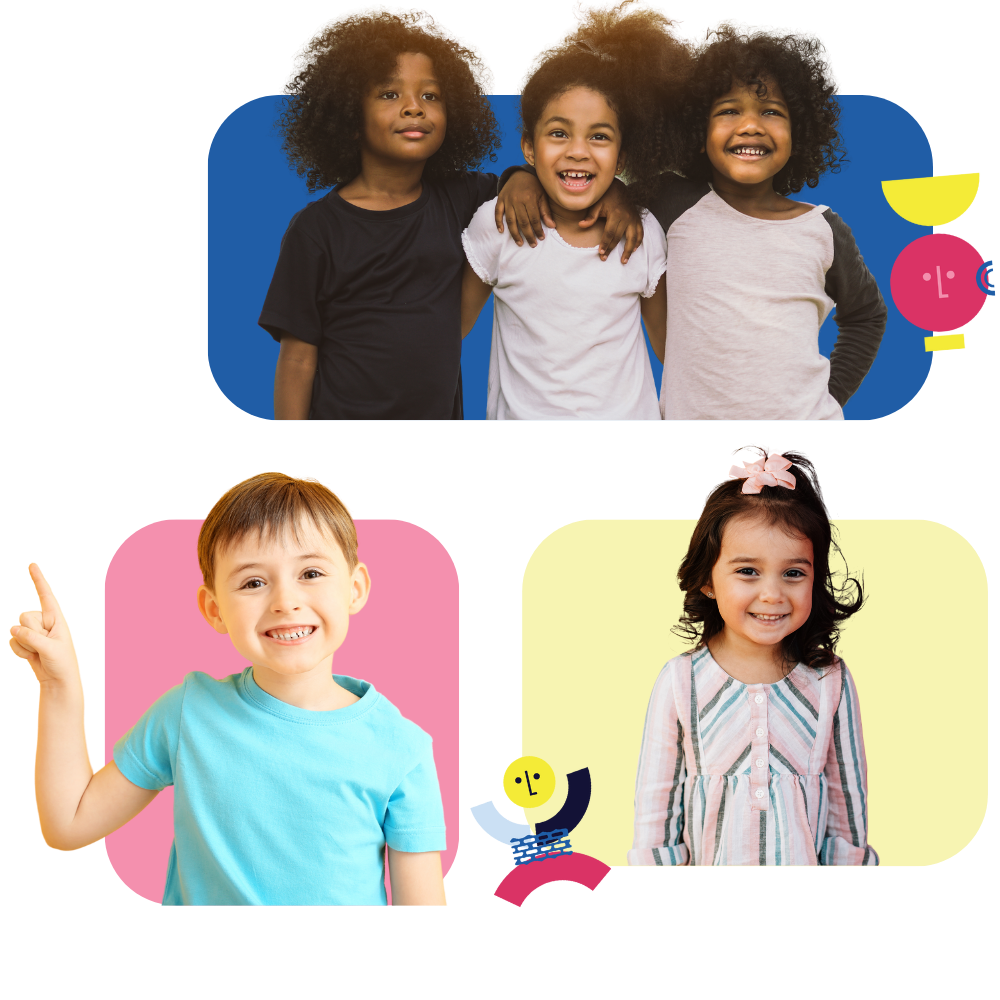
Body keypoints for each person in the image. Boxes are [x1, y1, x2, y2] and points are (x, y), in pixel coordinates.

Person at [13, 473, 451, 908]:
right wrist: (58, 683)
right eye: (253, 582)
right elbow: (69, 826)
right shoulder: (188, 713)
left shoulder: (402, 748)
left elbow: (421, 915)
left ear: (354, 589)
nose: (285, 600)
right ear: (215, 608)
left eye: (311, 572)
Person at [258, 7, 643, 420]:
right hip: (344, 430)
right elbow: (297, 358)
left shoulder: (462, 198)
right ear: (349, 116)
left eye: (430, 95)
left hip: (439, 433)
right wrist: (293, 445)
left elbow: (555, 186)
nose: (414, 107)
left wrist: (597, 188)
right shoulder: (316, 230)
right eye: (390, 94)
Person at [629, 447, 879, 866]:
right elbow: (656, 814)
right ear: (707, 577)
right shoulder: (680, 682)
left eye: (794, 573)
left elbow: (847, 807)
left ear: (815, 580)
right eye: (748, 571)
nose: (772, 594)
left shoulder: (830, 681)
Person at [459, 3, 694, 419]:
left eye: (599, 137)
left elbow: (673, 353)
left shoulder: (642, 232)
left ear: (622, 158)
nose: (578, 151)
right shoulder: (498, 224)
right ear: (529, 147)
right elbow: (447, 334)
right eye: (558, 133)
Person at [652, 19, 887, 420]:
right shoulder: (671, 203)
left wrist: (830, 397)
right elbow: (584, 180)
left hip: (799, 444)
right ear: (696, 127)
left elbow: (867, 315)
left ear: (800, 130)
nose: (750, 126)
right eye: (728, 110)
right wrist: (521, 178)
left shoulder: (822, 229)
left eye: (771, 111)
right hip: (688, 439)